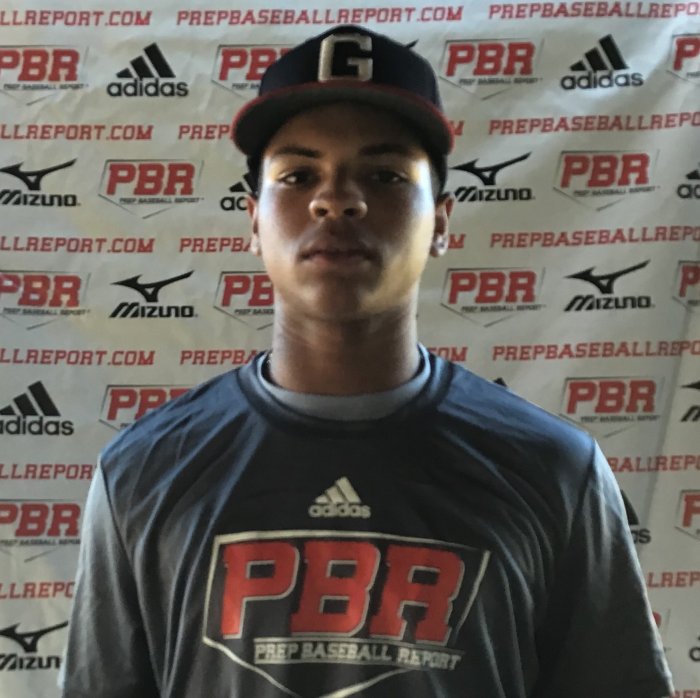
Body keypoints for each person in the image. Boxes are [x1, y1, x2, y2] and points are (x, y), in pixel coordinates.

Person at [61, 25, 673, 698]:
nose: (337, 200)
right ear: (254, 220)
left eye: (384, 176)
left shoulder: (553, 470)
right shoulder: (145, 472)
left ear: (441, 222)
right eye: (299, 176)